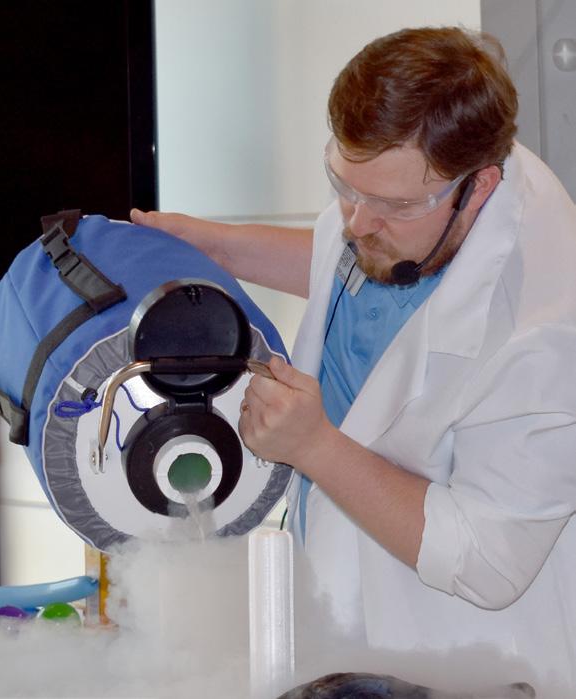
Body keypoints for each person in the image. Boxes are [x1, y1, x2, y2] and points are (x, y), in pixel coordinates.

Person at [131, 26, 576, 695]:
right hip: (347, 628)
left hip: (465, 663)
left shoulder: (545, 333)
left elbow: (488, 562)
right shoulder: (424, 187)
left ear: (479, 187)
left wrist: (315, 447)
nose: (355, 223)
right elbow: (352, 261)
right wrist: (216, 248)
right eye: (343, 184)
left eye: (392, 205)